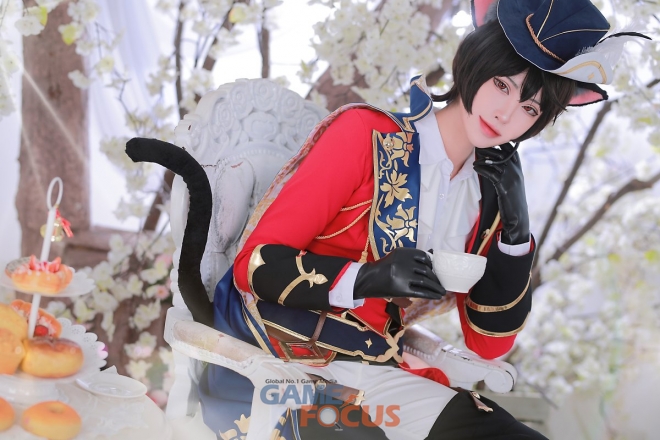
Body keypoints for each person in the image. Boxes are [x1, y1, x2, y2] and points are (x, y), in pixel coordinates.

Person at [126, 0, 648, 438]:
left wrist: (516, 232)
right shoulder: (364, 135)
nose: (507, 114)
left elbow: (488, 344)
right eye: (503, 85)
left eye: (531, 109)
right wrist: (369, 278)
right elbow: (254, 267)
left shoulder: (486, 196)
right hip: (274, 366)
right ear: (472, 63)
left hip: (375, 372)